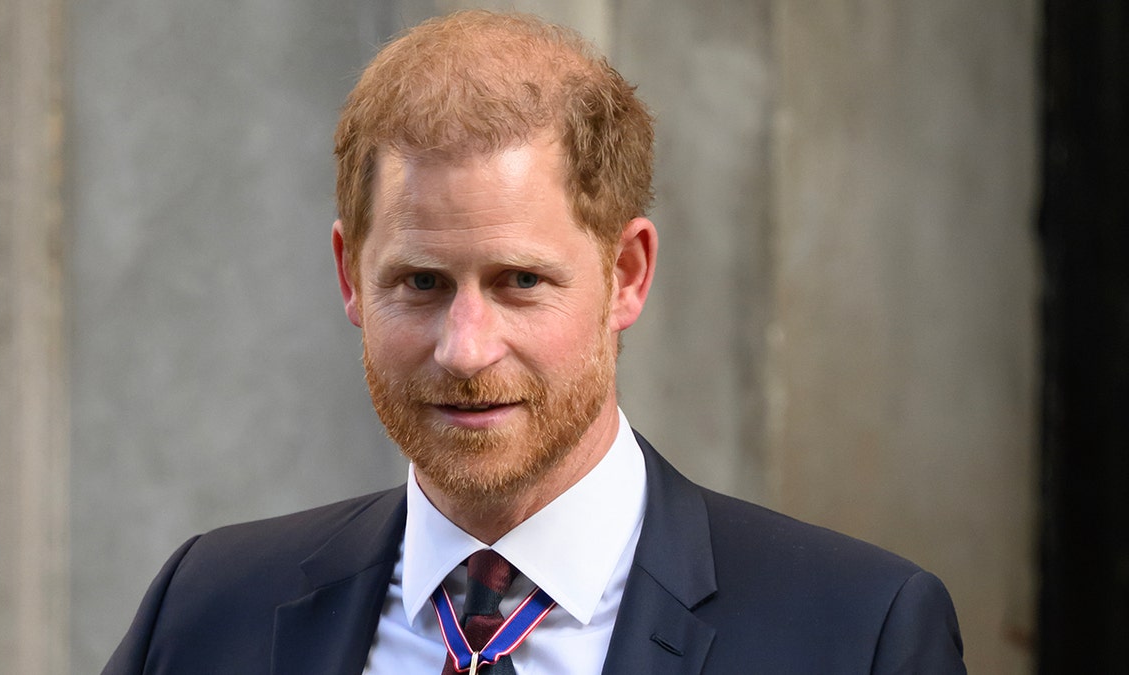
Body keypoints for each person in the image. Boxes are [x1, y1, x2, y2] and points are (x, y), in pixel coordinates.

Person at [104, 10, 965, 674]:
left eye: (520, 281)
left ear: (625, 273)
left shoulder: (855, 634)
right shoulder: (209, 609)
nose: (466, 349)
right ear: (348, 276)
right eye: (421, 282)